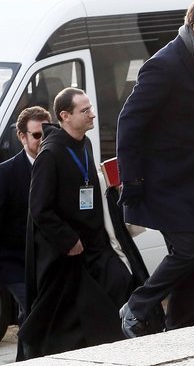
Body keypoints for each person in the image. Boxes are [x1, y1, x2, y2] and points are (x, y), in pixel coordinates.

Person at [116, 0, 194, 337]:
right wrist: (133, 180)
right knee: (188, 251)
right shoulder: (165, 64)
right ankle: (136, 306)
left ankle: (182, 332)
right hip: (161, 182)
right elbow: (129, 123)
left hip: (189, 181)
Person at [18, 89, 133, 358]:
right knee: (62, 323)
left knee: (122, 283)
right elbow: (39, 209)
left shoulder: (85, 143)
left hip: (95, 246)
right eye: (85, 110)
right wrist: (68, 240)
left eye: (90, 108)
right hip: (67, 254)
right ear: (65, 116)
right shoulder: (50, 154)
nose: (92, 114)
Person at [0, 107, 50, 322]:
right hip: (16, 262)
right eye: (37, 134)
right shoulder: (6, 174)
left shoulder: (58, 165)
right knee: (34, 315)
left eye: (48, 133)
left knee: (35, 318)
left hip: (49, 261)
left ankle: (28, 354)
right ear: (22, 136)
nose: (43, 139)